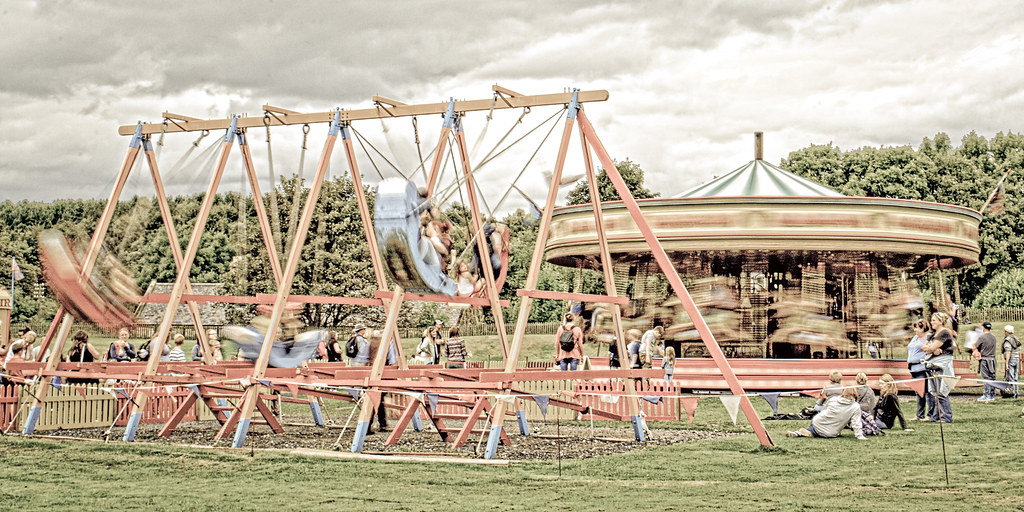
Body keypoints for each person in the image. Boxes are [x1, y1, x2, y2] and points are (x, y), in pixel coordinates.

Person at [787, 386, 866, 440]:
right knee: (818, 430)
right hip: (830, 433)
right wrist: (860, 436)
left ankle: (799, 432)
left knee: (813, 428)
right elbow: (856, 423)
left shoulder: (833, 399)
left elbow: (823, 410)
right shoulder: (855, 407)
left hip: (817, 423)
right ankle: (804, 433)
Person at [920, 312, 955, 423]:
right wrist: (932, 349)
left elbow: (930, 348)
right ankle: (935, 416)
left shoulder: (944, 333)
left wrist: (931, 348)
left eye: (934, 320)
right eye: (931, 320)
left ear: (941, 321)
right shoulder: (932, 334)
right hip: (932, 365)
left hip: (942, 366)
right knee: (934, 393)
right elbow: (923, 347)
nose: (931, 322)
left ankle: (946, 416)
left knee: (941, 392)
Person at [906, 320, 932, 421]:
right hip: (913, 368)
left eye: (917, 327)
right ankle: (919, 414)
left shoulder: (928, 338)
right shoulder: (915, 338)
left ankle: (929, 415)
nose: (915, 329)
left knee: (926, 391)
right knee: (918, 392)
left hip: (922, 367)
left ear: (923, 328)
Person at [975, 322, 998, 401]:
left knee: (986, 377)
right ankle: (992, 394)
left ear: (984, 328)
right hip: (992, 359)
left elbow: (976, 346)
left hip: (985, 359)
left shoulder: (982, 337)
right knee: (992, 377)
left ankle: (986, 394)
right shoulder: (993, 337)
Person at [1003, 325, 1020, 398]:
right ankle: (1016, 392)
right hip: (1017, 358)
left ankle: (1011, 393)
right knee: (1015, 377)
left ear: (1006, 331)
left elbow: (1008, 352)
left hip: (1011, 358)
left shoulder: (1008, 340)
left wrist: (1006, 363)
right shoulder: (1016, 338)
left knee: (1010, 377)